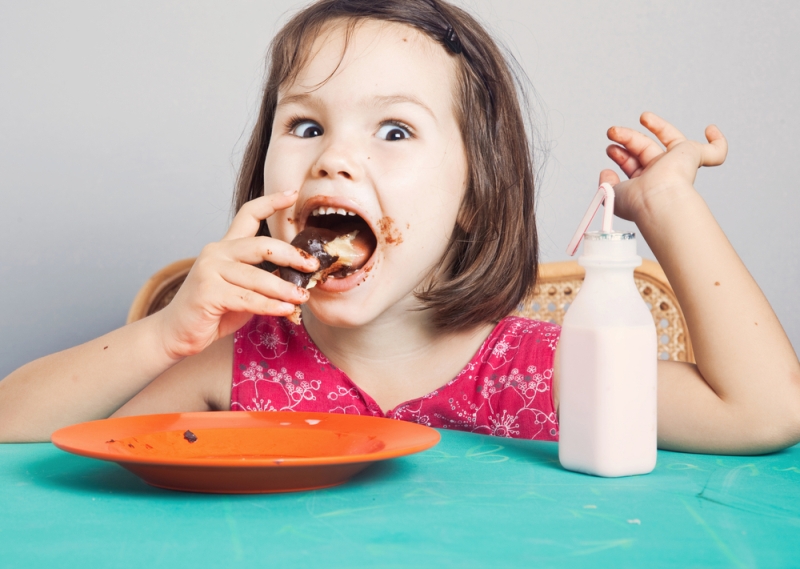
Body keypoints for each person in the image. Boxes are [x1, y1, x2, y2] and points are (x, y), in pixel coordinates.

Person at [1, 0, 798, 454]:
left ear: (475, 198)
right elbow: (14, 431)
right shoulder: (236, 370)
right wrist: (164, 335)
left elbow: (763, 414)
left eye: (394, 131)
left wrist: (668, 209)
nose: (336, 160)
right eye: (306, 126)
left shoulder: (544, 372)